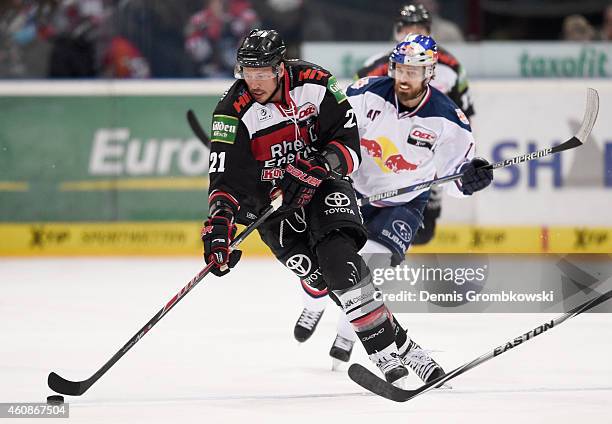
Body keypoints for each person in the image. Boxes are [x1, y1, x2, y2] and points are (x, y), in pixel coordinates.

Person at [202, 28, 427, 386]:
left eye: (261, 73)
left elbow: (349, 144)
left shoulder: (316, 82)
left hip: (321, 186)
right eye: (247, 72)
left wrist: (321, 164)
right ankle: (405, 344)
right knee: (327, 282)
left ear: (280, 68)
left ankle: (386, 357)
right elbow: (225, 183)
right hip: (272, 208)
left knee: (340, 262)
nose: (254, 81)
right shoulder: (231, 112)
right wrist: (218, 230)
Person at [293, 33, 493, 381]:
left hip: (403, 203)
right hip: (351, 192)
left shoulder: (449, 120)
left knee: (367, 266)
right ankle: (314, 303)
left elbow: (455, 178)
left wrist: (469, 180)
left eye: (414, 71)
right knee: (321, 269)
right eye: (400, 68)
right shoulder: (363, 92)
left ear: (429, 73)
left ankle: (353, 333)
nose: (404, 77)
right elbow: (327, 127)